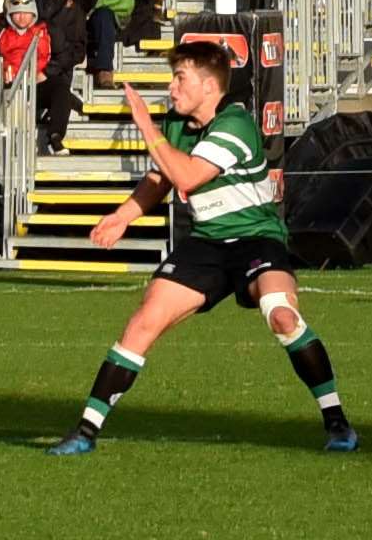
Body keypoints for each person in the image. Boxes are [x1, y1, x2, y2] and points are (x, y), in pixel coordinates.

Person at [52, 40, 353, 455]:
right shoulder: (176, 121)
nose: (172, 88)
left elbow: (188, 176)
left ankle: (337, 422)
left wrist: (145, 124)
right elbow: (161, 179)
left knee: (282, 315)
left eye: (180, 78)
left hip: (256, 239)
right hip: (208, 242)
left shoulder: (235, 124)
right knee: (144, 321)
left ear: (210, 86)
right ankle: (84, 432)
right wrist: (123, 216)